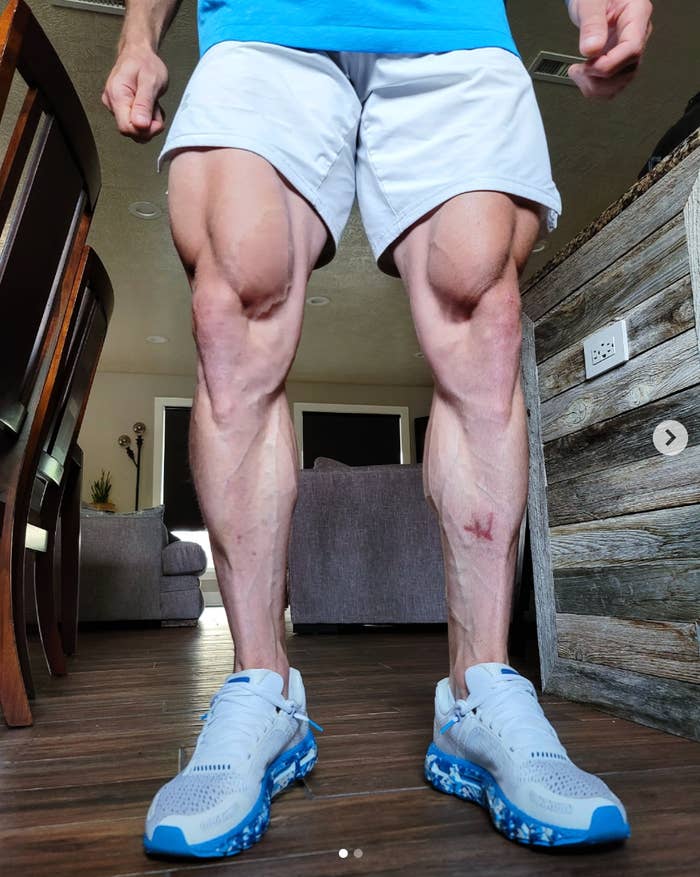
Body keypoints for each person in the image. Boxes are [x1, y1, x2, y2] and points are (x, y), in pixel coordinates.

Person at [103, 0, 653, 859]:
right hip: (263, 18)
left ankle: (478, 693)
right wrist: (139, 32)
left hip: (447, 21)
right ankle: (261, 689)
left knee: (480, 299)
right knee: (236, 291)